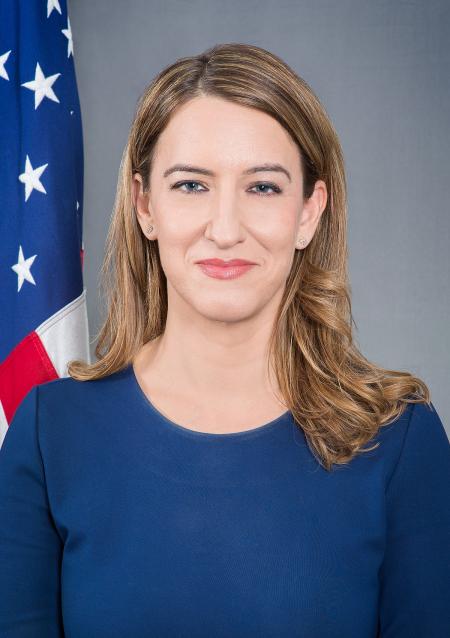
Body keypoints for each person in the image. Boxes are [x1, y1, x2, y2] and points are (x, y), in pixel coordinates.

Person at [0, 42, 449, 638]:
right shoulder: (49, 433)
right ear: (145, 206)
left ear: (309, 212)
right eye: (191, 185)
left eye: (262, 187)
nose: (226, 229)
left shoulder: (397, 438)